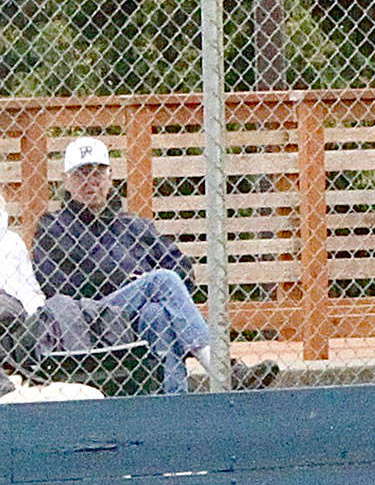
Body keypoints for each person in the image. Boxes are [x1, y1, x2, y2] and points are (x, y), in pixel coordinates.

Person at [30, 136, 279, 393]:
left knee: (156, 313)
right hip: (90, 317)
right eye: (81, 174)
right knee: (161, 281)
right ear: (66, 181)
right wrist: (134, 282)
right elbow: (58, 285)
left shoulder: (134, 226)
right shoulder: (54, 227)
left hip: (138, 316)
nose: (90, 181)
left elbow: (182, 268)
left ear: (110, 177)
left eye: (97, 173)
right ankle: (225, 370)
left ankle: (174, 404)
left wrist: (145, 289)